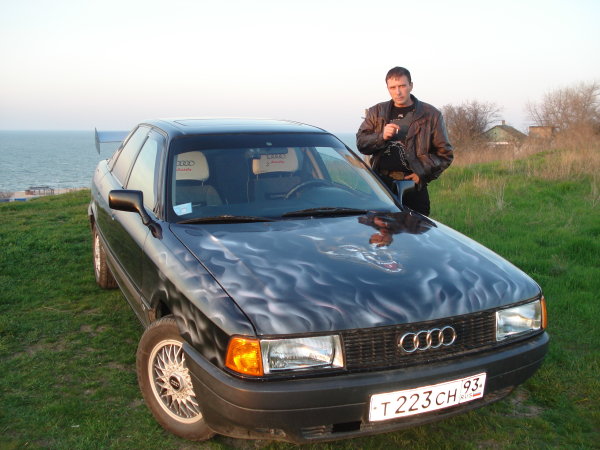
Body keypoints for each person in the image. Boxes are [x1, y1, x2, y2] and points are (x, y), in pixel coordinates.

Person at [356, 66, 453, 216]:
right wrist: (381, 136)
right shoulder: (376, 112)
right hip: (381, 186)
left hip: (413, 187)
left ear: (411, 86)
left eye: (402, 86)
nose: (398, 92)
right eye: (393, 87)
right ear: (388, 88)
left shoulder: (431, 114)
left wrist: (422, 174)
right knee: (382, 230)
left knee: (416, 230)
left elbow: (445, 154)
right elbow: (361, 143)